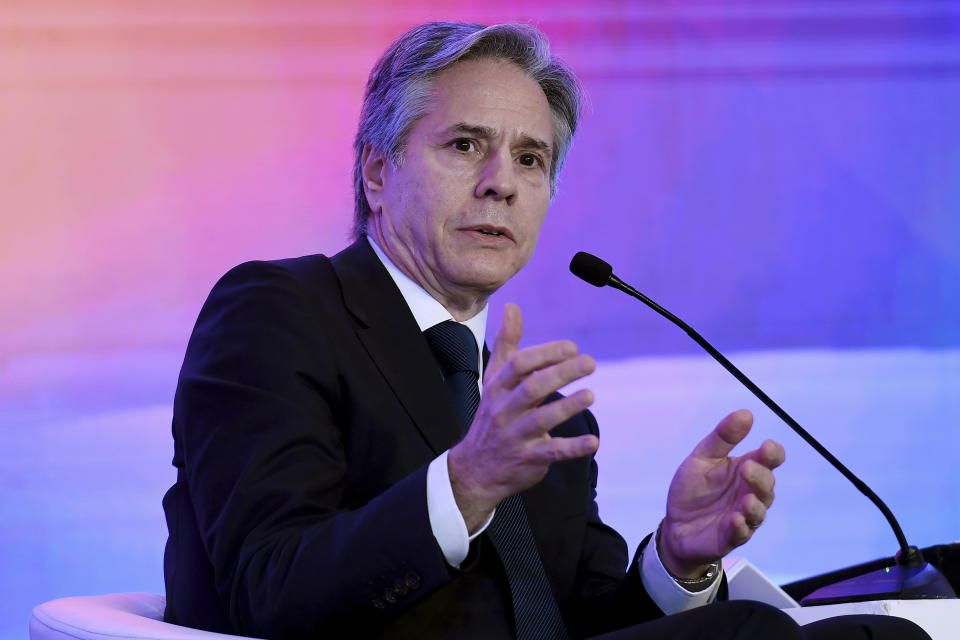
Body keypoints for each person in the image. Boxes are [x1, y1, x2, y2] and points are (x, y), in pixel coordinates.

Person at [162, 21, 930, 640]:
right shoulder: (279, 311)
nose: (500, 181)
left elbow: (586, 621)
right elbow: (266, 591)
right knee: (757, 631)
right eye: (465, 145)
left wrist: (677, 559)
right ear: (376, 172)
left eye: (531, 159)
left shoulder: (538, 408)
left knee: (892, 633)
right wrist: (467, 483)